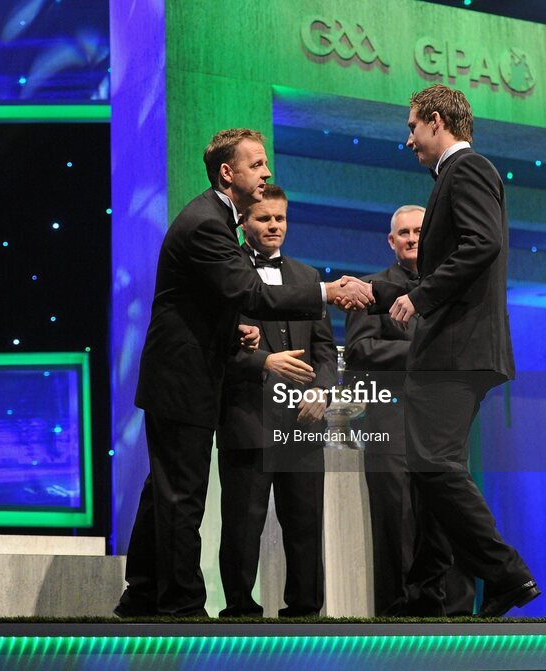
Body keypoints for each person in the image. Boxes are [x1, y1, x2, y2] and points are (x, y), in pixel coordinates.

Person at [118, 129, 372, 617]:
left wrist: (233, 331)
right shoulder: (207, 223)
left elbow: (205, 300)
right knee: (181, 497)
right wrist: (325, 292)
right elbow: (251, 294)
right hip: (182, 379)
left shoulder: (218, 220)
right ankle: (181, 605)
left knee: (164, 492)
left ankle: (143, 593)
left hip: (188, 375)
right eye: (257, 164)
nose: (267, 172)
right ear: (227, 173)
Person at [367, 84, 539, 617]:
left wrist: (418, 297)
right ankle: (428, 595)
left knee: (433, 464)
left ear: (437, 121)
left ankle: (506, 574)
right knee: (427, 469)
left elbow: (481, 245)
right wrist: (381, 291)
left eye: (413, 127)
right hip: (455, 348)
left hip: (458, 350)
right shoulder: (455, 176)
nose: (409, 139)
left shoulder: (467, 169)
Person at [345, 204, 475, 616]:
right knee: (396, 527)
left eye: (420, 230)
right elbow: (361, 350)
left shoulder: (451, 287)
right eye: (404, 233)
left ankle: (457, 617)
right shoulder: (372, 288)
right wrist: (426, 353)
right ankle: (399, 622)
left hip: (444, 428)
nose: (412, 238)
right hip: (392, 425)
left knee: (451, 519)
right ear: (391, 241)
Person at [217, 184, 336, 618]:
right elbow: (218, 348)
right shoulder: (227, 273)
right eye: (265, 219)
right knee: (242, 524)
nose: (274, 226)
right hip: (247, 418)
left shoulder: (307, 277)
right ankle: (238, 608)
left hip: (302, 423)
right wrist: (265, 361)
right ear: (244, 222)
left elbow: (325, 348)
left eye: (280, 218)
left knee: (305, 523)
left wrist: (322, 390)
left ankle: (306, 608)